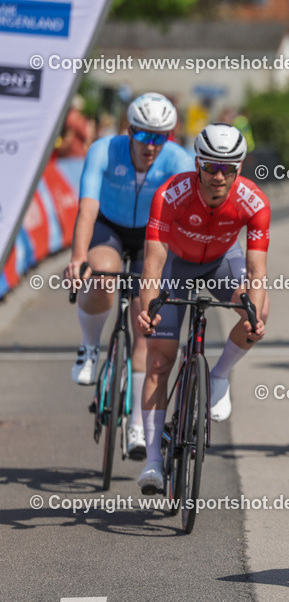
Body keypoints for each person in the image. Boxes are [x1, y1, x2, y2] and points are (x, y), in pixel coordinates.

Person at [135, 123, 270, 493]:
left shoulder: (254, 201)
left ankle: (219, 374)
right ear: (198, 164)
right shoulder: (170, 194)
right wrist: (148, 307)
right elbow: (152, 262)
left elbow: (257, 271)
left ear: (239, 168)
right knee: (160, 360)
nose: (218, 176)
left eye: (228, 168)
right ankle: (152, 463)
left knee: (258, 311)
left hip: (222, 262)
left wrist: (253, 316)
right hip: (175, 264)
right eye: (211, 166)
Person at [64, 92, 192, 460]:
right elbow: (87, 209)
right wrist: (77, 258)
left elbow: (182, 222)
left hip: (152, 235)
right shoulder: (104, 150)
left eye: (161, 136)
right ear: (129, 130)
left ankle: (138, 424)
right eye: (145, 136)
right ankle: (89, 347)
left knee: (145, 325)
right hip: (110, 226)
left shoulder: (179, 160)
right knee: (102, 276)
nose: (152, 146)